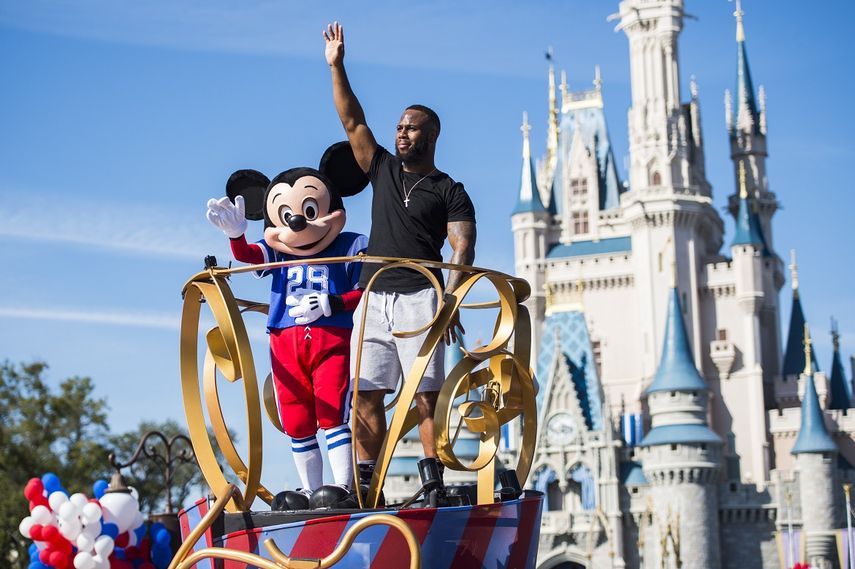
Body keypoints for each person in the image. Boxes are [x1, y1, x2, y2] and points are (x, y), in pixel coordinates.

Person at [323, 22, 477, 488]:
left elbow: (463, 246)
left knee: (426, 394)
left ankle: (433, 479)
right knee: (365, 393)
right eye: (399, 128)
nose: (402, 134)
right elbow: (352, 120)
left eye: (411, 128)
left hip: (421, 298)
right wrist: (338, 66)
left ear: (432, 134)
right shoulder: (383, 169)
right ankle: (366, 480)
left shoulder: (450, 189)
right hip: (375, 297)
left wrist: (450, 300)